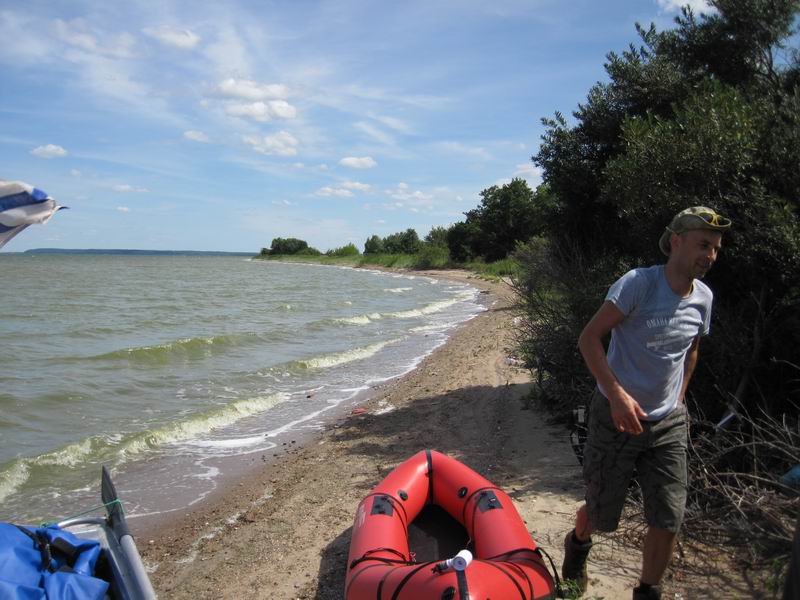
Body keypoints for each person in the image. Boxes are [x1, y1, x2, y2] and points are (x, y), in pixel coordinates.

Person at [561, 206, 732, 600]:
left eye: (716, 249)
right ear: (676, 242)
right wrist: (617, 395)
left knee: (668, 515)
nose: (710, 255)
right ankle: (577, 548)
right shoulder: (638, 284)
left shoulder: (704, 297)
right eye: (702, 245)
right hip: (614, 416)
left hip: (668, 422)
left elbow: (691, 350)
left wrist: (679, 398)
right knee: (600, 514)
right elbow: (589, 338)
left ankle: (648, 591)